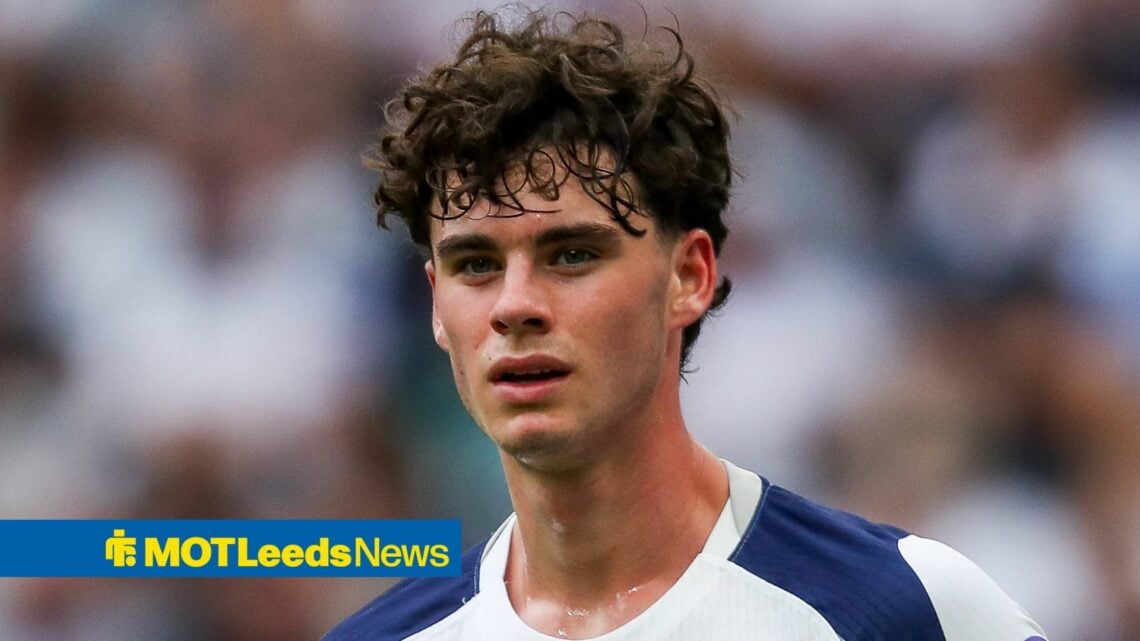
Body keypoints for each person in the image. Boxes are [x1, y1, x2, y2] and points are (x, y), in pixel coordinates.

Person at [324, 9, 1048, 641]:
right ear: (435, 305)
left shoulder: (905, 609)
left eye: (571, 254)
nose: (514, 304)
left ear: (690, 277)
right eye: (476, 264)